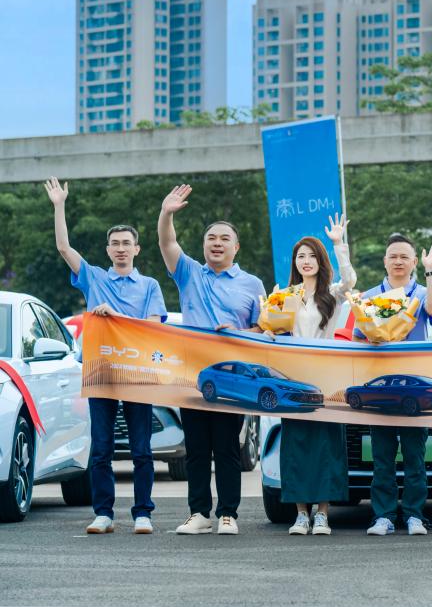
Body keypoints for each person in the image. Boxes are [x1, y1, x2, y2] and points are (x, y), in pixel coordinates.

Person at [45, 178, 167, 536]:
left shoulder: (149, 286)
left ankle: (143, 513)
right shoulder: (94, 278)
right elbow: (64, 247)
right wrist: (59, 205)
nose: (121, 249)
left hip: (138, 374)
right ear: (108, 249)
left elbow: (154, 326)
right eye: (115, 243)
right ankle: (103, 513)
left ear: (137, 249)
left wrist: (114, 315)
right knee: (100, 449)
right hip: (100, 373)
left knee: (142, 450)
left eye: (127, 243)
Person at [157, 184, 265, 537]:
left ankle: (228, 514)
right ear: (204, 245)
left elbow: (265, 329)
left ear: (236, 247)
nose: (217, 243)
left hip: (233, 378)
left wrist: (240, 331)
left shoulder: (252, 284)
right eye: (211, 238)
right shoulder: (189, 273)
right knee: (197, 449)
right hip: (193, 376)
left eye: (224, 239)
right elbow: (167, 243)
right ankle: (199, 513)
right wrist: (166, 213)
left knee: (228, 448)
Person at [357, 233, 432, 537]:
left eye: (404, 257)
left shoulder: (422, 293)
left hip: (415, 388)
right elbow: (357, 338)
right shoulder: (369, 297)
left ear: (414, 262)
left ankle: (414, 515)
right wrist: (372, 339)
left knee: (414, 456)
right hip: (380, 387)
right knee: (382, 457)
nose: (398, 261)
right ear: (385, 261)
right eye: (393, 256)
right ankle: (383, 515)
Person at [276, 215, 356, 537]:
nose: (306, 261)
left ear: (320, 262)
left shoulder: (332, 294)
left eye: (311, 256)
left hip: (326, 378)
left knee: (326, 445)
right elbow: (273, 327)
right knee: (295, 445)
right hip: (293, 379)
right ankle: (300, 514)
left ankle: (322, 513)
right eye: (301, 256)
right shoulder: (284, 295)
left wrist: (339, 244)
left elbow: (350, 280)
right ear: (295, 263)